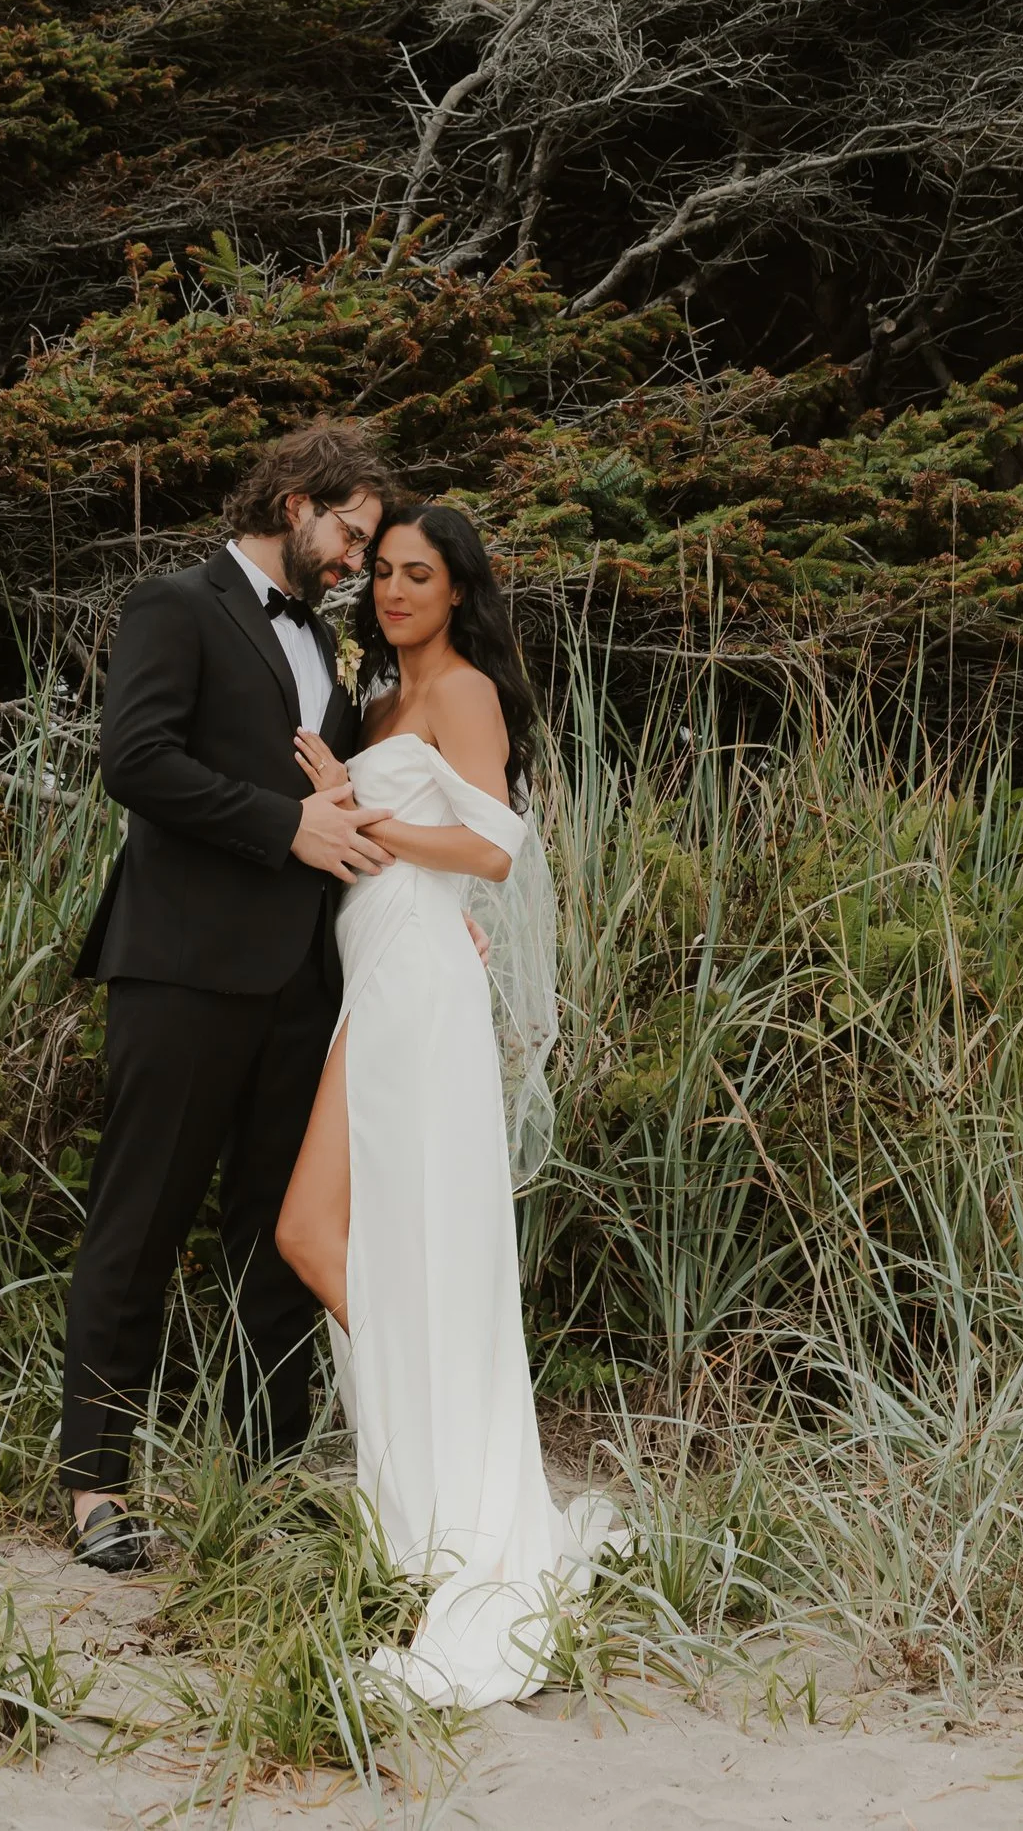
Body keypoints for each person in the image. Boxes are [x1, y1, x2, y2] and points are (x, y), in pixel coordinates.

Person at [276, 498, 612, 1708]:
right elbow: (375, 832)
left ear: (458, 588)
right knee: (337, 1239)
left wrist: (365, 814)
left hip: (418, 976)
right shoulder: (372, 702)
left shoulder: (463, 690)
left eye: (420, 575)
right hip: (374, 969)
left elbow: (495, 850)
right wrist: (336, 782)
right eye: (387, 576)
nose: (396, 592)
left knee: (316, 1231)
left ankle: (448, 1505)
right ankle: (427, 1488)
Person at [59, 419, 396, 1574]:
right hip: (181, 968)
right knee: (140, 1217)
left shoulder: (334, 646)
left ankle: (269, 1476)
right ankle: (99, 1485)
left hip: (305, 978)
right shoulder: (176, 604)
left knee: (279, 1231)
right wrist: (282, 823)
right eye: (348, 534)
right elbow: (133, 759)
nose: (354, 562)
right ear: (296, 499)